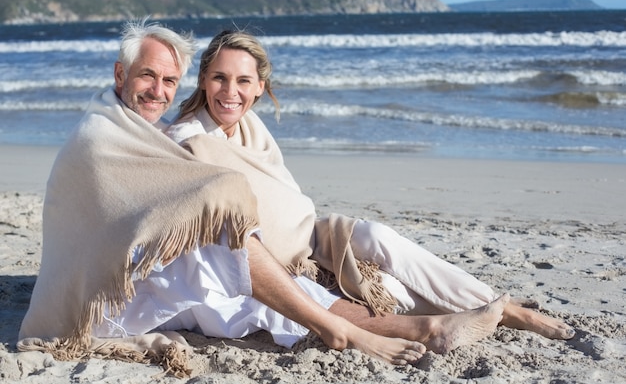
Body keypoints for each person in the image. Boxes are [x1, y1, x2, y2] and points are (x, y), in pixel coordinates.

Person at [17, 20, 508, 377]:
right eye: (147, 76)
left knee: (238, 279)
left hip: (127, 275)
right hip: (98, 303)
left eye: (169, 81)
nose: (158, 91)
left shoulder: (137, 131)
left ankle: (415, 326)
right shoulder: (99, 136)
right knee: (224, 252)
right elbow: (165, 202)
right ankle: (356, 329)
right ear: (120, 75)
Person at [165, 29, 576, 345]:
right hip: (278, 264)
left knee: (376, 235)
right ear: (203, 80)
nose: (230, 92)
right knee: (394, 291)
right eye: (219, 78)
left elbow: (282, 197)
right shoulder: (188, 141)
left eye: (242, 81)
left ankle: (496, 305)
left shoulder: (251, 126)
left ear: (260, 87)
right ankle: (497, 312)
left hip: (313, 236)